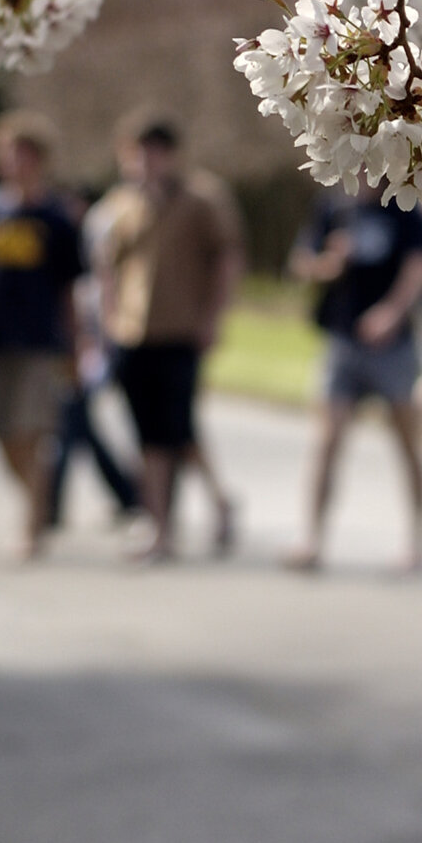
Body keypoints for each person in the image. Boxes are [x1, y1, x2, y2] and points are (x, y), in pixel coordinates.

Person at [92, 117, 243, 562]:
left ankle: (164, 526)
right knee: (152, 434)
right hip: (133, 333)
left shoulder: (202, 199)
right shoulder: (120, 205)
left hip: (181, 331)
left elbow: (227, 257)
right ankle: (178, 517)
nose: (144, 162)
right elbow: (107, 268)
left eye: (152, 151)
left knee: (172, 430)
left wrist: (214, 316)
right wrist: (107, 318)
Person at [287, 183, 422, 572]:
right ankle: (312, 540)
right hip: (343, 340)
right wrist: (327, 264)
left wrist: (392, 312)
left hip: (394, 348)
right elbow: (302, 262)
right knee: (327, 441)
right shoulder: (333, 206)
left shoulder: (405, 202)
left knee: (408, 443)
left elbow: (420, 266)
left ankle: (418, 543)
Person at [0, 112, 85, 560]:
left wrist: (74, 347)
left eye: (22, 153)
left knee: (32, 433)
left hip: (40, 341)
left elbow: (69, 289)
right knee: (3, 436)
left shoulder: (56, 219)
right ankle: (40, 504)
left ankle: (30, 530)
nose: (13, 162)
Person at [45, 186, 141, 531]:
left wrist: (97, 349)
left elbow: (101, 306)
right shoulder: (67, 246)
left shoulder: (96, 247)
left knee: (72, 428)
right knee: (76, 429)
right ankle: (129, 495)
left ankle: (51, 506)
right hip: (74, 350)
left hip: (92, 351)